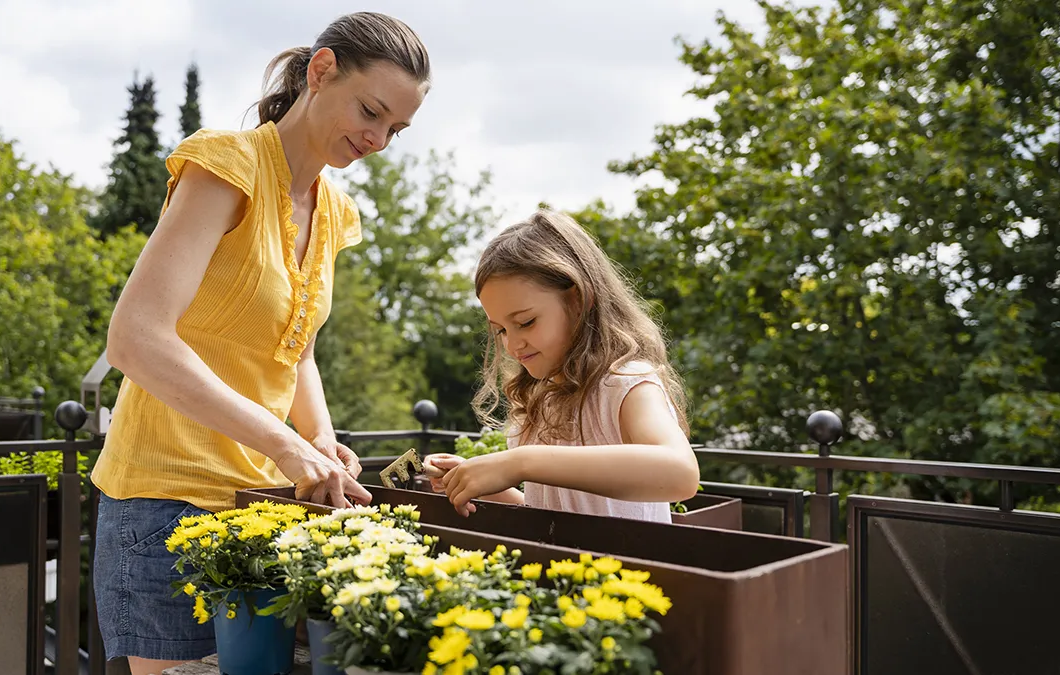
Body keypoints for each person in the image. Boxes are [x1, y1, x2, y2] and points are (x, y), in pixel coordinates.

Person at [89, 12, 431, 674]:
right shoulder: (228, 164)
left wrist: (320, 438)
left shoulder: (332, 211)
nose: (378, 138)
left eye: (396, 128)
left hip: (259, 506)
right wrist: (285, 442)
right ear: (322, 69)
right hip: (165, 501)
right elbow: (135, 338)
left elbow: (294, 346)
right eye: (371, 110)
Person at [423, 209, 700, 520]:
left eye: (525, 322)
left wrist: (519, 463)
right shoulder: (540, 397)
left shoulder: (626, 382)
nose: (512, 345)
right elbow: (550, 515)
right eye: (501, 329)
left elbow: (681, 474)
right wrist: (484, 480)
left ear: (578, 300)